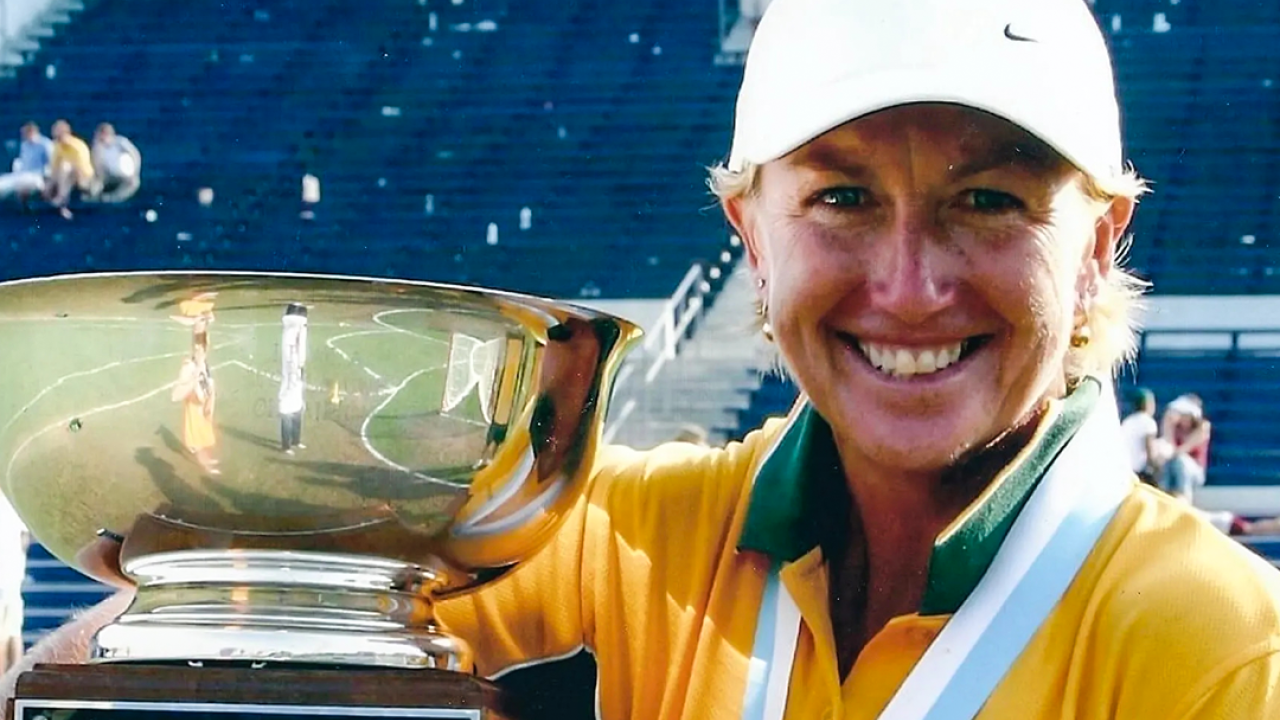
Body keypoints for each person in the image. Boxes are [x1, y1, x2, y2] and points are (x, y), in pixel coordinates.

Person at [7, 1, 1280, 717]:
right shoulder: (647, 532)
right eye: (839, 200)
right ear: (751, 238)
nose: (908, 286)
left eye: (988, 201)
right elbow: (251, 637)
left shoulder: (1212, 646)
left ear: (1101, 242)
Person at [172, 334, 219, 475]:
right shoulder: (189, 366)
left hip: (202, 405)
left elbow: (208, 383)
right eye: (197, 349)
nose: (200, 352)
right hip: (194, 407)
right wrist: (196, 372)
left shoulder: (204, 363)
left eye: (203, 349)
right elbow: (176, 394)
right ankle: (206, 466)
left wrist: (210, 401)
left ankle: (207, 460)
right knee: (197, 439)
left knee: (204, 435)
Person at [1155, 394, 1211, 502]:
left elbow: (1181, 450)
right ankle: (1162, 494)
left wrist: (1169, 452)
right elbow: (1169, 444)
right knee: (1164, 460)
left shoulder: (1203, 427)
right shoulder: (1176, 427)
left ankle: (1184, 497)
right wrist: (1168, 424)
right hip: (1174, 466)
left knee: (1180, 460)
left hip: (1194, 472)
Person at [42, 120, 94, 219]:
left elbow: (82, 169)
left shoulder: (77, 146)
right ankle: (61, 204)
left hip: (84, 178)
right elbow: (53, 169)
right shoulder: (57, 147)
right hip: (64, 178)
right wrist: (49, 184)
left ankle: (61, 199)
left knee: (65, 167)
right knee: (59, 171)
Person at [0, 495, 28, 677]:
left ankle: (7, 682)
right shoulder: (12, 498)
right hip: (13, 575)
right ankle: (14, 679)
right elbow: (25, 538)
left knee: (9, 634)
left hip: (8, 576)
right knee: (12, 632)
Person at [279, 303, 308, 454]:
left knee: (297, 409)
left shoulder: (298, 330)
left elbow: (300, 349)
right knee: (286, 412)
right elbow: (291, 354)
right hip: (291, 375)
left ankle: (296, 440)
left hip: (296, 374)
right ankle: (286, 445)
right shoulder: (290, 332)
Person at [88, 123, 142, 203]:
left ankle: (112, 199)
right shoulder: (97, 147)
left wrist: (135, 172)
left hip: (123, 175)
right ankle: (93, 201)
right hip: (104, 176)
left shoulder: (121, 142)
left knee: (134, 183)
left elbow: (135, 156)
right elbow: (96, 164)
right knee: (94, 187)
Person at [0, 122, 52, 205]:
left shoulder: (45, 144)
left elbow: (51, 164)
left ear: (32, 132)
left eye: (25, 133)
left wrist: (47, 180)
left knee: (24, 181)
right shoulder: (25, 145)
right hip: (22, 175)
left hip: (37, 177)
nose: (23, 136)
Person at [1119, 386, 1159, 484]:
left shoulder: (1127, 421)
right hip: (1139, 472)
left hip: (1124, 470)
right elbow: (1150, 452)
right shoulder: (1148, 422)